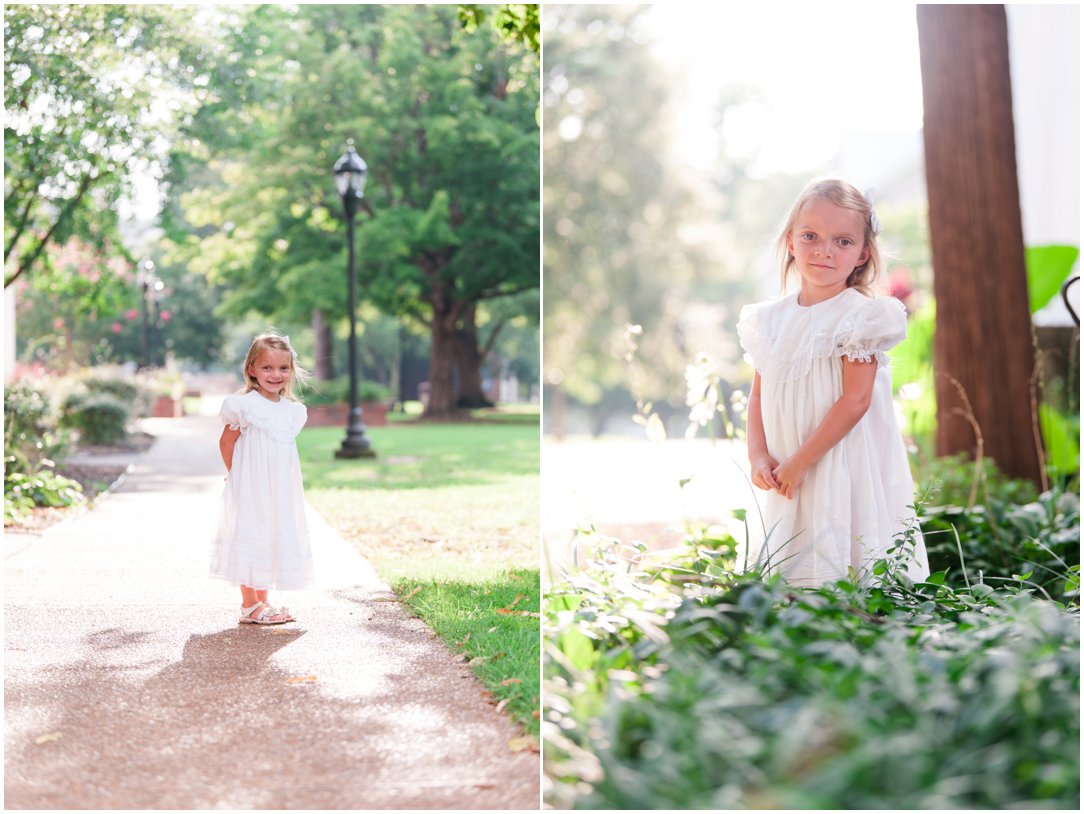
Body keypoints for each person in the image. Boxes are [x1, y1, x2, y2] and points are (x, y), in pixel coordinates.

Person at [737, 178, 930, 587]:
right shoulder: (769, 320)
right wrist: (758, 455)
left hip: (834, 459)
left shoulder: (860, 317)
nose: (824, 250)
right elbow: (759, 394)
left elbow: (856, 400)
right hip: (783, 462)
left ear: (862, 253)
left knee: (839, 547)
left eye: (843, 241)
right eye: (811, 236)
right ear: (791, 242)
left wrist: (803, 462)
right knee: (786, 561)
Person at [211, 331, 314, 623]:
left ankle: (262, 602)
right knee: (250, 533)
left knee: (269, 535)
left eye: (283, 368)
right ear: (251, 370)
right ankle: (249, 605)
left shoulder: (292, 411)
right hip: (250, 485)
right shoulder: (242, 406)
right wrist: (236, 476)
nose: (275, 374)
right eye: (267, 367)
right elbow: (226, 443)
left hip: (278, 488)